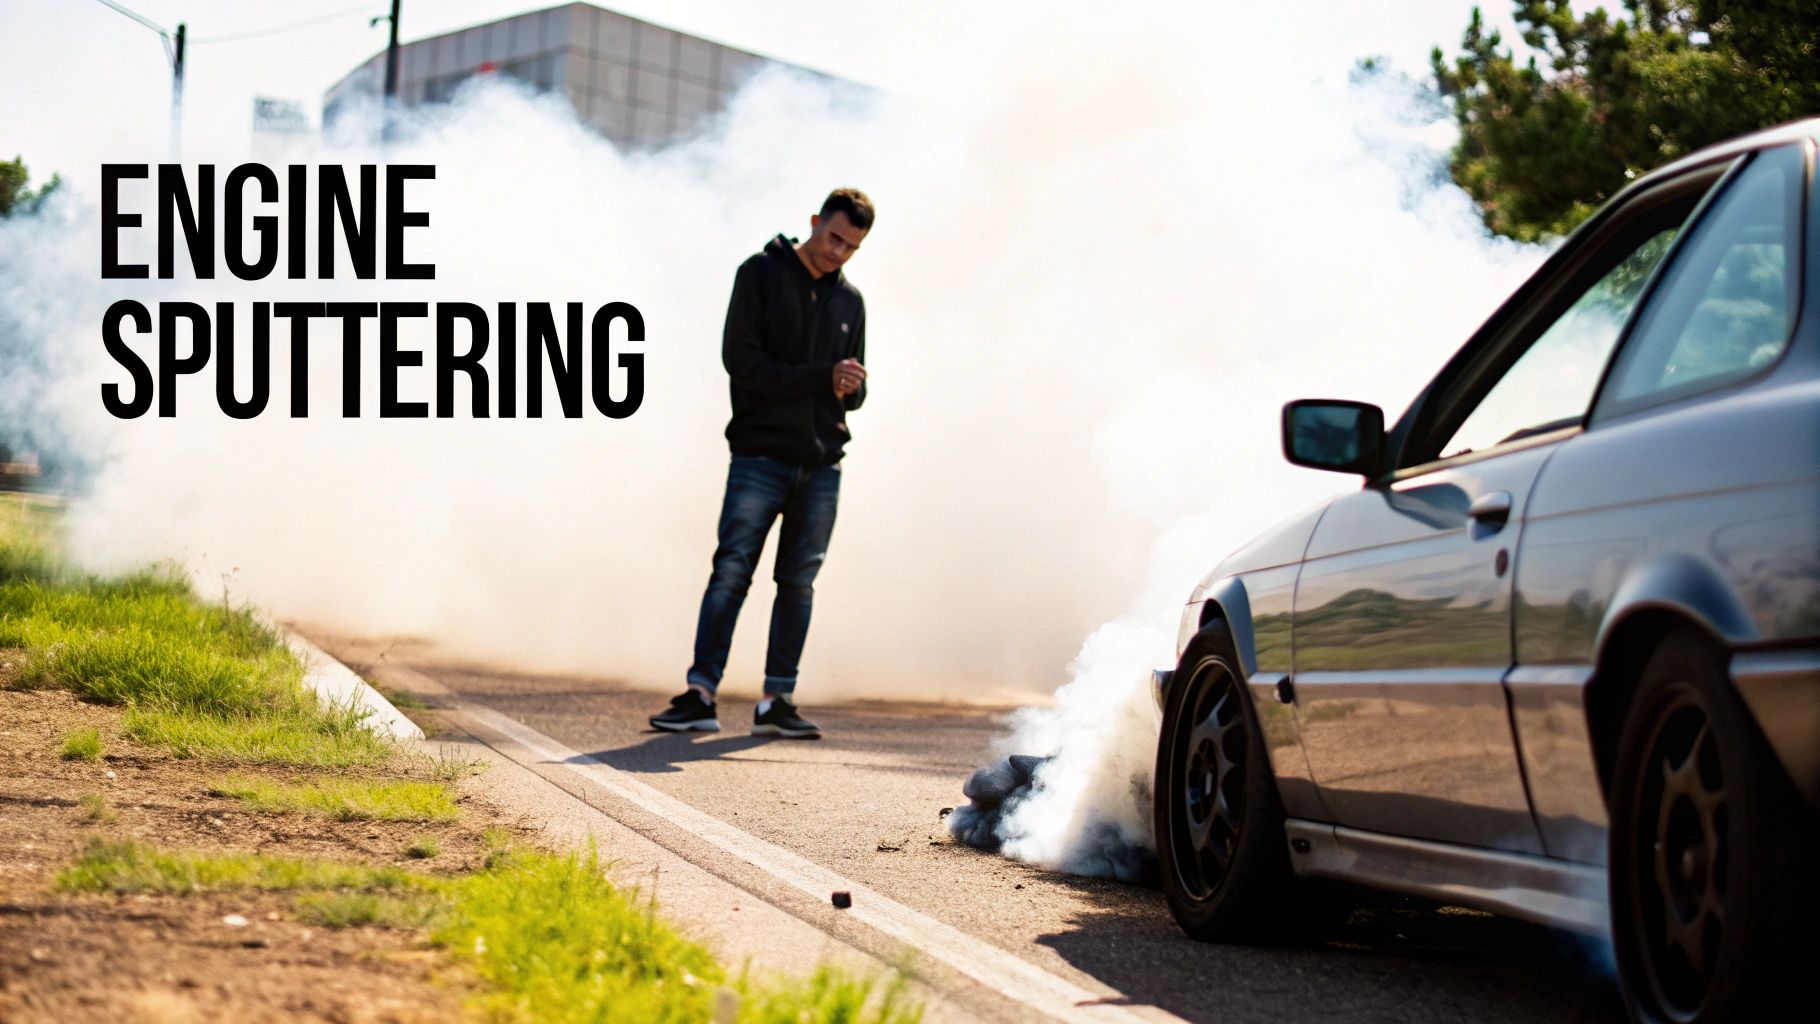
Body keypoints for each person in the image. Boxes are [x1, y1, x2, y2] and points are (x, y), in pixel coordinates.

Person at [649, 188, 875, 739]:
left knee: (798, 584)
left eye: (851, 247)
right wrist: (822, 377)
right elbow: (742, 363)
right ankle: (700, 695)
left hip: (822, 465)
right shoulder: (759, 274)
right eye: (834, 238)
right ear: (815, 221)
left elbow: (854, 394)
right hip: (760, 456)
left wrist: (851, 386)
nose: (838, 253)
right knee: (731, 572)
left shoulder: (851, 303)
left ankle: (777, 701)